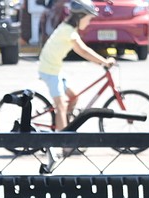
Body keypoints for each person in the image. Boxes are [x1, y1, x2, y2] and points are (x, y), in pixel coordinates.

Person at [38, 0, 116, 133]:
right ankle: (64, 143)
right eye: (89, 18)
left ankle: (66, 127)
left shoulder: (69, 29)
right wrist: (104, 61)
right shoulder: (68, 32)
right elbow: (83, 51)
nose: (89, 22)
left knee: (74, 98)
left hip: (55, 69)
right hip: (49, 71)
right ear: (80, 17)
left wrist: (102, 61)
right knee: (61, 105)